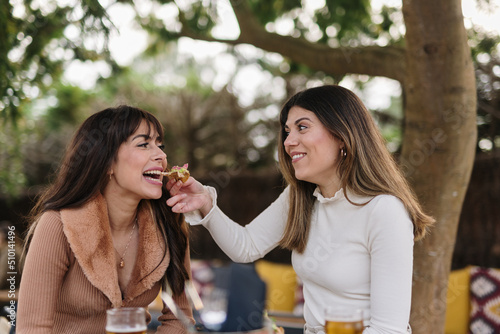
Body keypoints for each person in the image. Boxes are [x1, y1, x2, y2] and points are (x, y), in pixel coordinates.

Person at [166, 85, 434, 334]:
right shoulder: (300, 196)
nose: (288, 141)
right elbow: (245, 247)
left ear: (342, 136)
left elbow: (389, 329)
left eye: (302, 127)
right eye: (287, 131)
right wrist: (206, 204)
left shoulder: (384, 211)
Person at [17, 106, 193, 333]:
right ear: (107, 162)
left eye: (160, 145)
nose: (161, 156)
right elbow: (33, 328)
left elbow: (180, 319)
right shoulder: (57, 226)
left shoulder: (169, 223)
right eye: (143, 144)